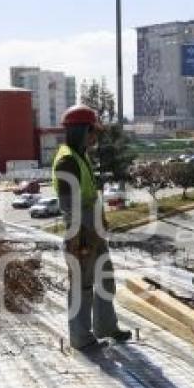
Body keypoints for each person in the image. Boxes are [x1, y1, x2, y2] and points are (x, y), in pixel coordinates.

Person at [52, 104, 131, 350]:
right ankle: (81, 338)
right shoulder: (67, 160)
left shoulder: (80, 155)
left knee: (105, 279)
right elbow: (69, 205)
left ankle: (106, 327)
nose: (95, 136)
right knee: (82, 287)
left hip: (92, 228)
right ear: (81, 131)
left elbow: (88, 196)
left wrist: (100, 219)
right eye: (92, 131)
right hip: (81, 232)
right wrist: (83, 235)